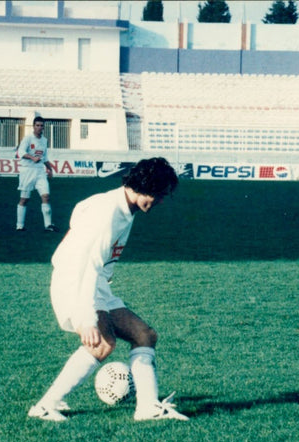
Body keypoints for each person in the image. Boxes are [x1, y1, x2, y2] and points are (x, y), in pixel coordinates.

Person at [28, 157, 188, 422]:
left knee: (144, 335)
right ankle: (45, 405)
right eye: (159, 195)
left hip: (95, 282)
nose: (160, 201)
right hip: (75, 283)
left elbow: (80, 211)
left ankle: (147, 407)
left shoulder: (118, 204)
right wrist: (87, 318)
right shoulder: (108, 214)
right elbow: (87, 266)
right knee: (102, 344)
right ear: (146, 186)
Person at [16, 116, 57, 232]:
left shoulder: (44, 140)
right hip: (27, 170)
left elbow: (44, 157)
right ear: (33, 126)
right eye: (37, 125)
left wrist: (50, 169)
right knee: (24, 199)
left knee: (46, 196)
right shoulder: (28, 138)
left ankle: (48, 225)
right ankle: (19, 225)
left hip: (40, 171)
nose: (39, 128)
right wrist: (32, 157)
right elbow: (21, 152)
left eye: (41, 126)